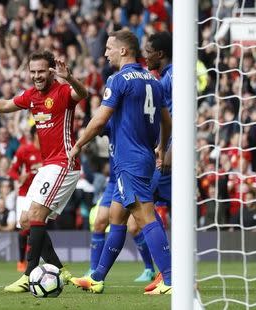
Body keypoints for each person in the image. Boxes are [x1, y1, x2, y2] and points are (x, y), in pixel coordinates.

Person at [69, 30, 172, 295]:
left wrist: (79, 145)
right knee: (116, 215)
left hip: (129, 160)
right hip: (144, 158)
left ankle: (171, 279)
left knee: (145, 217)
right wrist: (161, 147)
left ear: (123, 51)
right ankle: (97, 277)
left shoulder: (119, 80)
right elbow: (167, 120)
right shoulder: (153, 81)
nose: (105, 53)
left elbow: (101, 120)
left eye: (109, 48)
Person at [0, 50, 88, 292]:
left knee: (36, 216)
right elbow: (6, 104)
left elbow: (83, 94)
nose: (36, 76)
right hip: (49, 165)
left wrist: (69, 78)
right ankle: (60, 269)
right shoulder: (32, 96)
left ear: (50, 70)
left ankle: (28, 276)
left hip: (64, 163)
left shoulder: (62, 91)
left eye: (41, 71)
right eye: (33, 71)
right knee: (26, 220)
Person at [76, 122, 158, 283]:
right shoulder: (112, 121)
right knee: (99, 221)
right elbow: (97, 125)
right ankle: (93, 270)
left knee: (134, 227)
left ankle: (150, 269)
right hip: (114, 181)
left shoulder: (133, 122)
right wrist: (83, 141)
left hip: (132, 176)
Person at [143, 31, 173, 292]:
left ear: (160, 54)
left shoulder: (172, 78)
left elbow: (182, 117)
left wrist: (168, 150)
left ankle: (170, 274)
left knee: (144, 206)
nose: (145, 54)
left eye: (148, 50)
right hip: (166, 152)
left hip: (170, 156)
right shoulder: (165, 78)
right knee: (146, 208)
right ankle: (169, 272)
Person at [7, 125, 42, 272]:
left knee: (37, 227)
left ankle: (33, 260)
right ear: (34, 135)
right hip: (24, 193)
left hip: (40, 194)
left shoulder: (49, 151)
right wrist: (19, 177)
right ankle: (21, 261)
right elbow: (12, 171)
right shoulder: (24, 150)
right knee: (23, 228)